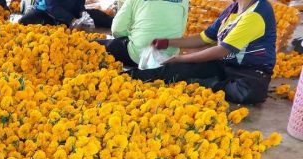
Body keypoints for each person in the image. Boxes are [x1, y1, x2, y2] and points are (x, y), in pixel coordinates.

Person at [131, 0, 276, 104]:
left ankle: (207, 84)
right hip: (223, 65)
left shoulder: (257, 13)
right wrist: (168, 42)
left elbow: (222, 50)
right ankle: (131, 76)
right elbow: (204, 38)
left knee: (248, 92)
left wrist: (181, 58)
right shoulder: (233, 9)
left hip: (250, 71)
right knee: (176, 69)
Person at [97, 0, 189, 68]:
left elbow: (117, 29)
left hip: (137, 56)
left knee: (95, 47)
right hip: (170, 58)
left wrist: (131, 37)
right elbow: (181, 30)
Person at [20, 0, 84, 27]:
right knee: (23, 21)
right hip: (46, 12)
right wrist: (71, 19)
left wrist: (79, 15)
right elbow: (51, 7)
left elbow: (80, 5)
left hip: (67, 14)